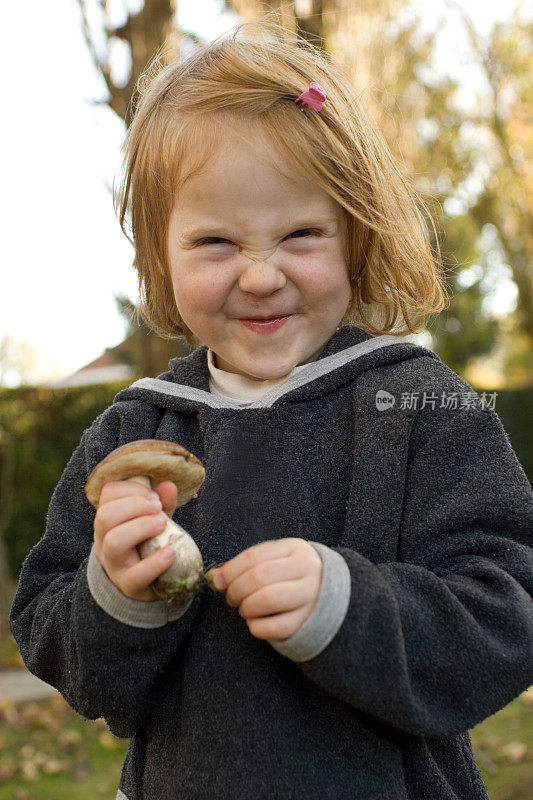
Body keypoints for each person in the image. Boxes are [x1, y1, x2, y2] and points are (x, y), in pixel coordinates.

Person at [9, 19, 533, 800]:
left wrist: (348, 606)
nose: (259, 276)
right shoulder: (132, 430)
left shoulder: (423, 409)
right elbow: (60, 646)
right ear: (160, 256)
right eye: (216, 242)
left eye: (300, 234)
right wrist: (115, 592)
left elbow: (506, 617)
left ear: (355, 235)